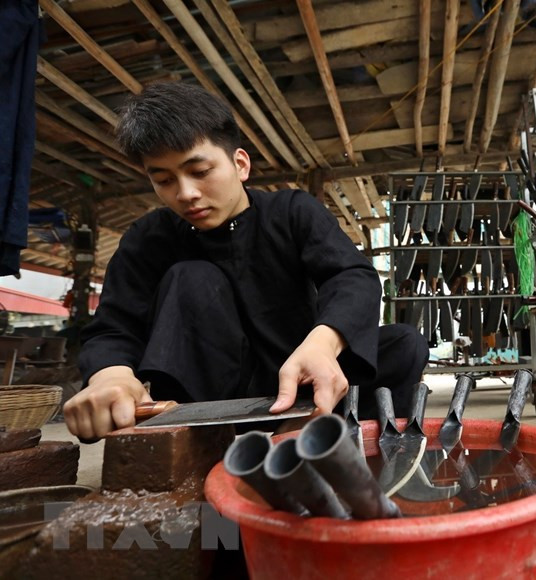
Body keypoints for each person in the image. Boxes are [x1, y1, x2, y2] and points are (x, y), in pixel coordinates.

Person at [63, 82, 428, 441]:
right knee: (191, 277)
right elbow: (114, 325)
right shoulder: (149, 238)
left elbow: (351, 276)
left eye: (200, 171)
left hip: (300, 378)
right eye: (164, 179)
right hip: (210, 399)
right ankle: (203, 442)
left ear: (240, 163)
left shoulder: (292, 212)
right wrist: (111, 375)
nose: (186, 193)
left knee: (405, 344)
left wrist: (323, 344)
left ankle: (311, 431)